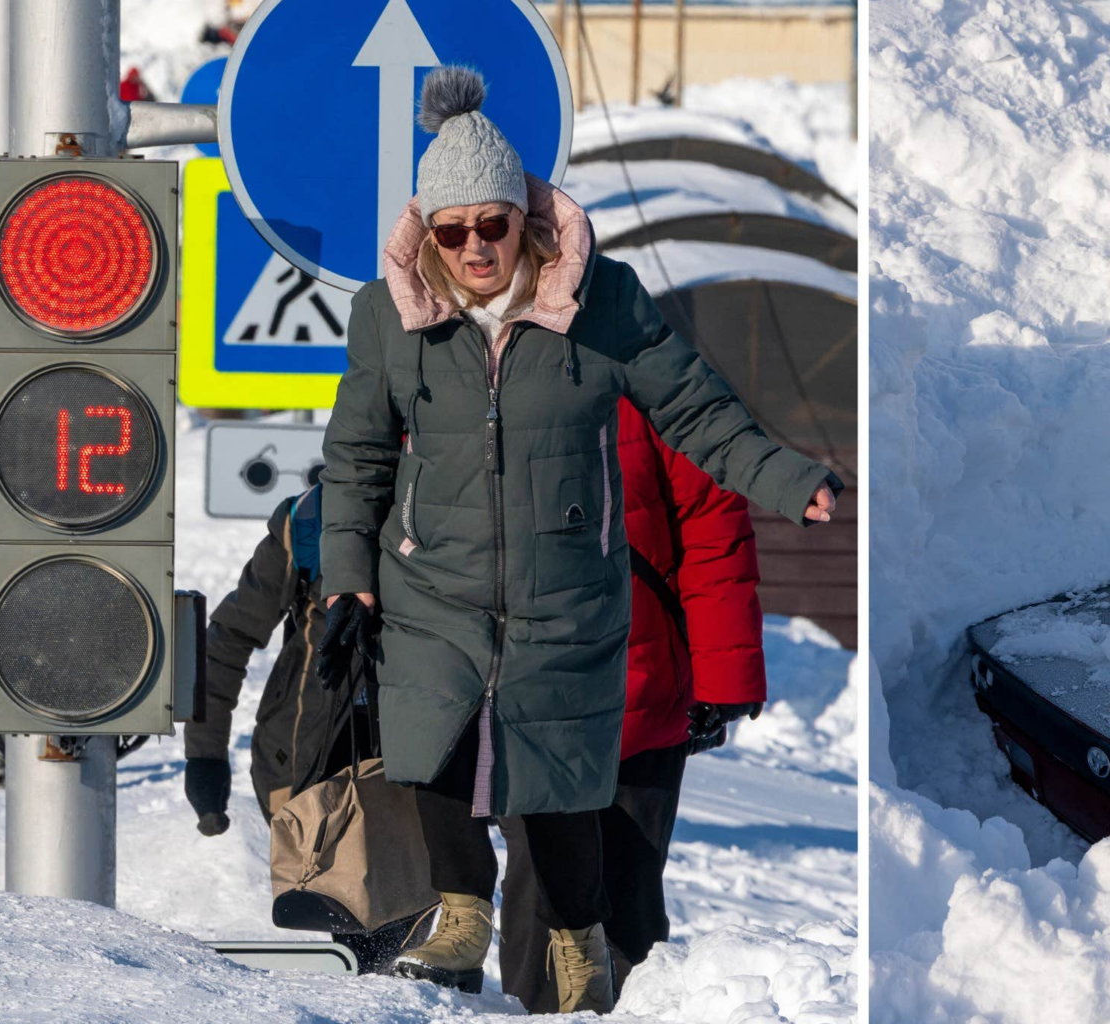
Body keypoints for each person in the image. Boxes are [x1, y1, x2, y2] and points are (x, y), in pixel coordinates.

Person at [315, 66, 839, 1011]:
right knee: (431, 731)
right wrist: (346, 577)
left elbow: (698, 412)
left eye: (493, 224)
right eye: (452, 230)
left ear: (526, 217)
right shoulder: (386, 317)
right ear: (427, 233)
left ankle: (574, 933)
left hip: (565, 584)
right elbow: (354, 458)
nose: (475, 247)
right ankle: (461, 907)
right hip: (433, 576)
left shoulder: (600, 301)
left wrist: (789, 479)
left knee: (556, 773)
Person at [497, 400, 768, 1013]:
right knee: (537, 882)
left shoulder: (658, 382)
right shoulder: (476, 371)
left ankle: (632, 1008)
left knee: (630, 885)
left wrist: (722, 679)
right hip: (521, 689)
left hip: (639, 694)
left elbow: (713, 525)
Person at [180, 485, 417, 973]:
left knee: (406, 934)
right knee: (354, 941)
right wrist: (205, 755)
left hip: (419, 748)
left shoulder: (463, 503)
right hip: (307, 759)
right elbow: (229, 638)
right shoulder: (310, 518)